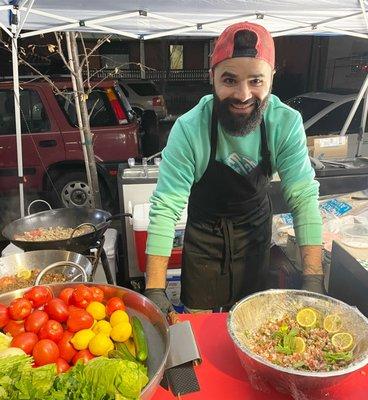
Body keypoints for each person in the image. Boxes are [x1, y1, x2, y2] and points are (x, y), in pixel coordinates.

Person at [143, 21, 323, 315]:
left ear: (271, 79)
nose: (243, 95)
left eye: (256, 81)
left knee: (251, 321)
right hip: (204, 238)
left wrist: (313, 278)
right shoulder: (189, 129)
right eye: (229, 80)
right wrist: (154, 289)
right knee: (199, 330)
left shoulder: (285, 124)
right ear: (212, 77)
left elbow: (303, 198)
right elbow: (165, 207)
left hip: (255, 235)